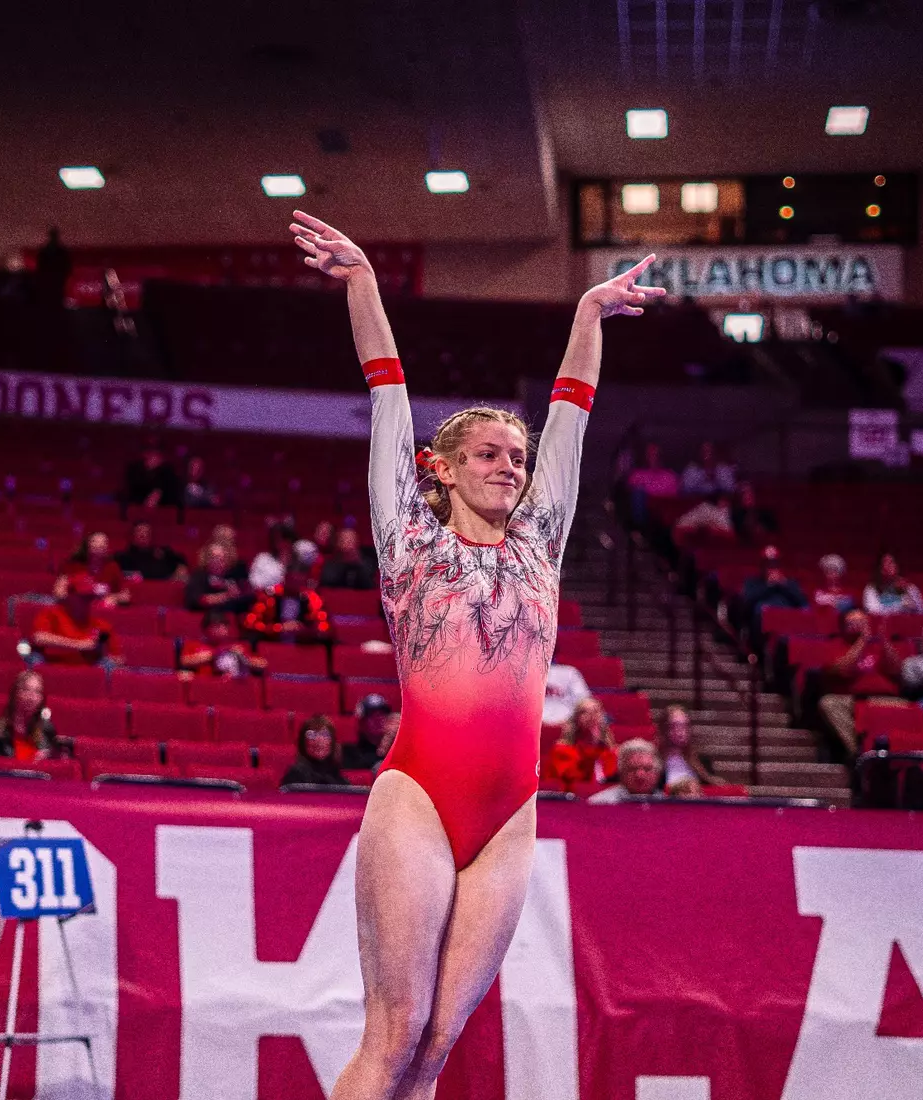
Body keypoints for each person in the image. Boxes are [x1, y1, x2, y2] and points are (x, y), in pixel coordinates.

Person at [291, 208, 661, 1099]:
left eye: (517, 458)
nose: (510, 467)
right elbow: (386, 390)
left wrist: (587, 315)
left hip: (511, 812)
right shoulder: (407, 536)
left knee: (437, 1046)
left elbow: (573, 414)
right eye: (490, 454)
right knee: (393, 1032)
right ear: (442, 468)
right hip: (419, 794)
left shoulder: (541, 540)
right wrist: (364, 283)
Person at [815, 608, 904, 755]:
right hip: (851, 700)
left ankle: (896, 750)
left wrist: (884, 641)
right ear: (844, 627)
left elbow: (897, 670)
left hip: (883, 699)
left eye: (862, 622)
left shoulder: (878, 646)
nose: (858, 626)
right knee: (828, 703)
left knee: (907, 707)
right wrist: (862, 641)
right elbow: (843, 670)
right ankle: (860, 750)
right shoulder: (836, 645)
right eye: (853, 623)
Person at [0, 670, 72, 764]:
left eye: (37, 692)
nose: (32, 697)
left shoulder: (47, 731)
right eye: (26, 690)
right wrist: (34, 761)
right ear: (15, 693)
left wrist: (57, 758)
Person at [30, 575, 119, 666]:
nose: (86, 602)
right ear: (70, 596)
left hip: (85, 674)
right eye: (82, 597)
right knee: (34, 659)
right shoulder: (51, 613)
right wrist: (79, 644)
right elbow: (39, 638)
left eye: (90, 598)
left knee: (107, 665)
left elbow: (118, 658)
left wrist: (100, 649)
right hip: (51, 668)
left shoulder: (101, 625)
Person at [243, 552, 333, 642]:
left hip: (303, 648)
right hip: (273, 646)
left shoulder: (312, 598)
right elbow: (250, 624)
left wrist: (304, 631)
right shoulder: (269, 596)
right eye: (293, 578)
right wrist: (279, 628)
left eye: (299, 579)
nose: (296, 583)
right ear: (285, 577)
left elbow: (324, 628)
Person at [735, 545, 807, 635]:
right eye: (769, 565)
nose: (772, 569)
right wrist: (769, 585)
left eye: (775, 564)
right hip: (762, 622)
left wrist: (784, 585)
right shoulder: (752, 582)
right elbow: (747, 603)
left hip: (786, 620)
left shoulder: (790, 583)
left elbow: (802, 602)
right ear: (762, 566)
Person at [178, 611, 265, 679]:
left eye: (224, 626)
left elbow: (262, 664)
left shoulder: (237, 646)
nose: (221, 630)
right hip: (204, 687)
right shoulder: (194, 644)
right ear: (205, 629)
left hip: (232, 689)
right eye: (216, 626)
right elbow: (185, 661)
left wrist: (243, 658)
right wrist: (216, 653)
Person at [658, 704, 726, 789]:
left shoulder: (702, 761)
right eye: (675, 726)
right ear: (664, 728)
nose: (680, 732)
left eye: (684, 726)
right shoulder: (654, 761)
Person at [58, 531, 130, 607]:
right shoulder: (71, 565)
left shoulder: (112, 567)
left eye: (104, 542)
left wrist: (114, 598)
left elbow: (125, 596)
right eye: (95, 541)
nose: (100, 545)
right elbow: (59, 591)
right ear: (86, 545)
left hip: (104, 609)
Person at [280, 715, 349, 787]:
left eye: (325, 734)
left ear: (332, 742)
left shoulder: (338, 777)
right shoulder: (294, 775)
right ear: (303, 743)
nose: (319, 740)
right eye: (311, 734)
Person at [588, 739, 663, 803]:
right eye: (632, 769)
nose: (640, 775)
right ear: (621, 772)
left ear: (657, 773)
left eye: (647, 769)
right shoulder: (599, 803)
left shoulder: (667, 804)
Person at [121, 436, 184, 511]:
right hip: (136, 510)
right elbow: (129, 493)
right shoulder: (133, 470)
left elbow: (174, 496)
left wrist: (159, 492)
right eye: (149, 451)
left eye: (156, 451)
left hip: (164, 513)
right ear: (143, 453)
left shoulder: (168, 471)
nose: (152, 455)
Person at [114, 520, 187, 582]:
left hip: (163, 587)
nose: (143, 534)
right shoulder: (124, 556)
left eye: (146, 532)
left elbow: (181, 559)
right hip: (138, 589)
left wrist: (180, 568)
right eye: (140, 531)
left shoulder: (162, 552)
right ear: (133, 534)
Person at [342, 692, 395, 771]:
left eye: (382, 714)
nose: (379, 719)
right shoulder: (350, 751)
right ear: (362, 722)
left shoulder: (395, 748)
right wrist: (381, 751)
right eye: (372, 715)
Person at [862, 552, 923, 616]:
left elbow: (922, 610)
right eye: (885, 563)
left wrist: (908, 592)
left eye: (892, 562)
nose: (889, 566)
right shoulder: (871, 588)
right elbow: (873, 611)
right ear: (880, 568)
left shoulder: (909, 587)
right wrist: (900, 607)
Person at [542, 661, 593, 726]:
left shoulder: (569, 672)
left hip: (569, 723)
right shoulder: (526, 673)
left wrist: (574, 720)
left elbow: (584, 701)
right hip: (531, 726)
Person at [35, 227, 73, 309]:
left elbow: (40, 265)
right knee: (54, 295)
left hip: (54, 277)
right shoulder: (58, 251)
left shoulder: (47, 251)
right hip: (53, 277)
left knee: (54, 295)